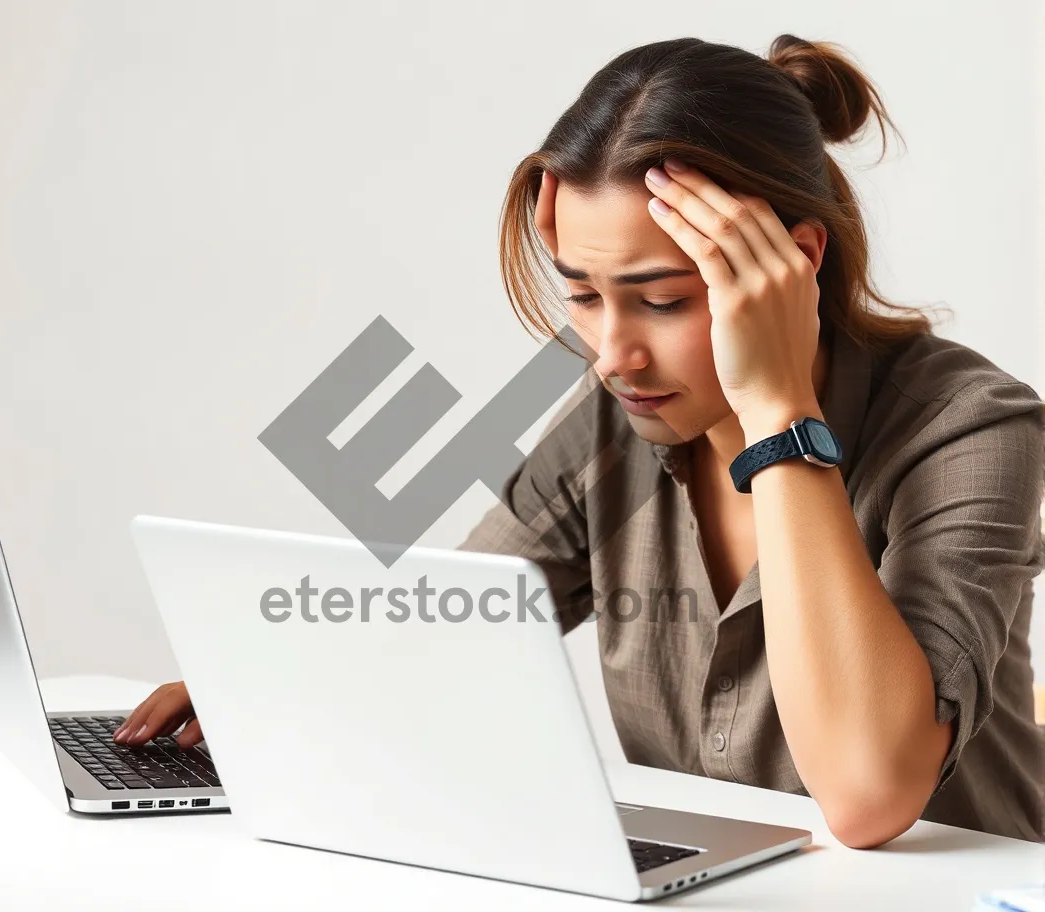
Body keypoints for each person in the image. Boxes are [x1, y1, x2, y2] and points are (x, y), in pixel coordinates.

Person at [114, 34, 1045, 848]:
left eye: (666, 300)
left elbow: (868, 795)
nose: (613, 355)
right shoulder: (622, 421)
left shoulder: (970, 428)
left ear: (793, 263)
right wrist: (271, 686)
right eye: (586, 296)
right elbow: (459, 632)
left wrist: (776, 414)